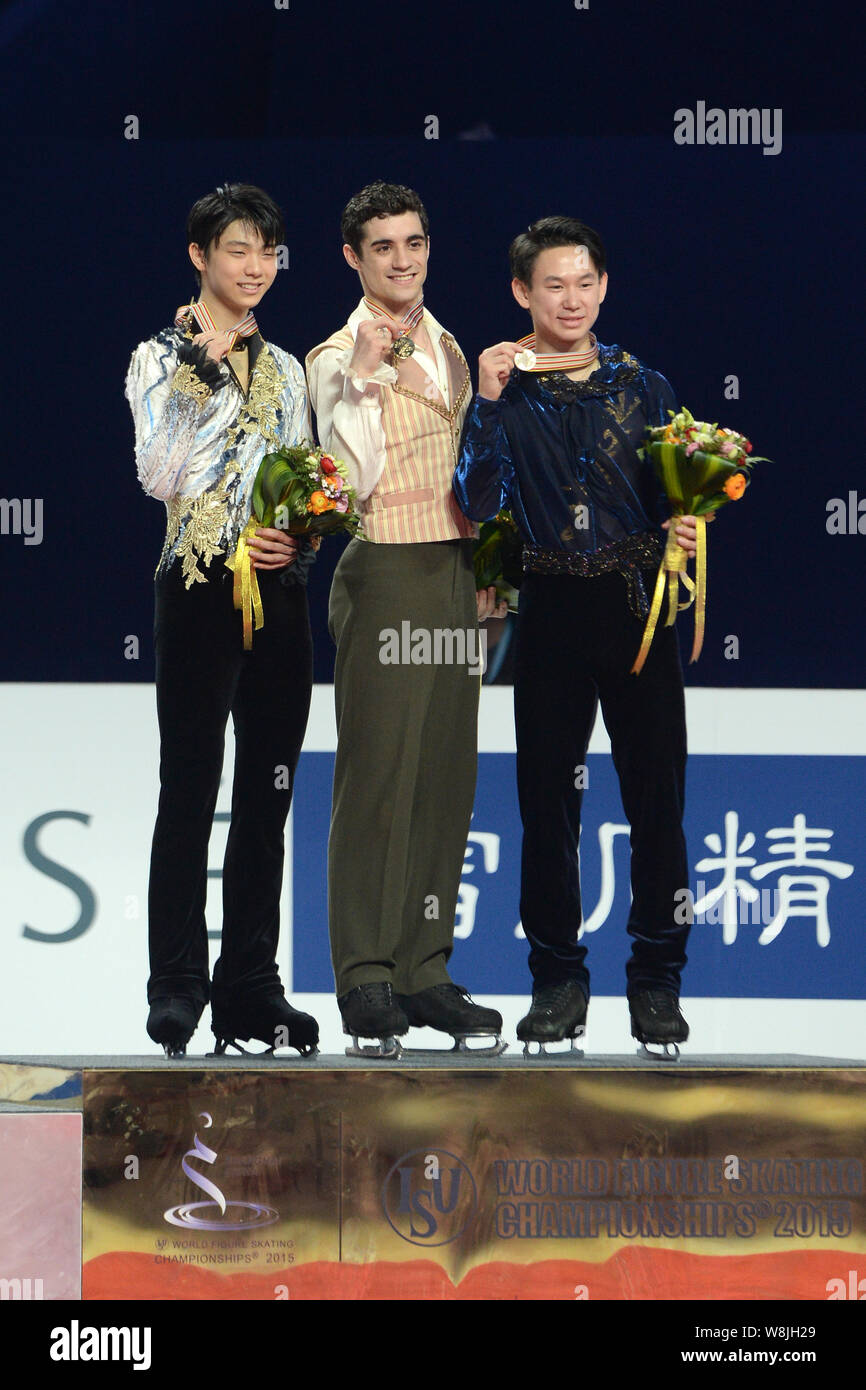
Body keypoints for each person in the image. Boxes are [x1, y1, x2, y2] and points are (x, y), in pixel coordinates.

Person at [454, 216, 699, 1055]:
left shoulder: (646, 385)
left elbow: (681, 493)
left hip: (637, 609)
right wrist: (484, 403)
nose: (571, 298)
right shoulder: (501, 387)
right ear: (522, 292)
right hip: (551, 606)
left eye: (584, 282)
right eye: (552, 284)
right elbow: (478, 501)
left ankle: (658, 981)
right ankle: (558, 980)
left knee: (656, 798)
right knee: (546, 805)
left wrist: (688, 524)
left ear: (604, 287)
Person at [306, 181, 504, 1052]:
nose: (402, 260)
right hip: (383, 566)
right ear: (353, 258)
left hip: (457, 572)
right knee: (379, 777)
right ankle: (365, 976)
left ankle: (427, 968)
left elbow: (475, 462)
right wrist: (366, 375)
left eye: (414, 242)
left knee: (444, 781)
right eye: (382, 247)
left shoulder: (454, 343)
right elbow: (349, 474)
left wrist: (492, 568)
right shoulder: (332, 355)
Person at [125, 183, 318, 1057]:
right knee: (191, 787)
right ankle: (177, 986)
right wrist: (202, 374)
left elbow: (309, 476)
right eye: (237, 250)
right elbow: (160, 474)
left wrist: (303, 537)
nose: (255, 267)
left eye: (267, 251)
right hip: (199, 585)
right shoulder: (156, 358)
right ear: (200, 257)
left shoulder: (288, 370)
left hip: (277, 596)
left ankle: (250, 989)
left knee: (269, 797)